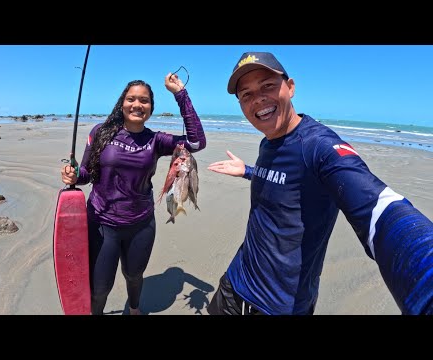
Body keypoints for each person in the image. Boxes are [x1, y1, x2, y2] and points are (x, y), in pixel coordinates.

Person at [206, 51, 433, 315]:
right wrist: (247, 170)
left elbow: (379, 210)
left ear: (290, 87)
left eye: (267, 85)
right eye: (246, 94)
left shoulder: (320, 147)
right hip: (234, 283)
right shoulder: (268, 141)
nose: (257, 99)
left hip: (277, 307)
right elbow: (285, 181)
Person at [61, 73, 206, 315]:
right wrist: (75, 176)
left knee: (134, 275)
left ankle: (135, 308)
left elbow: (197, 143)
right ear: (122, 102)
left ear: (151, 108)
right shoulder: (101, 132)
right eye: (131, 99)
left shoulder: (155, 141)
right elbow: (87, 174)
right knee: (99, 289)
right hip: (101, 223)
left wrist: (180, 95)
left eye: (144, 101)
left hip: (140, 224)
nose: (137, 105)